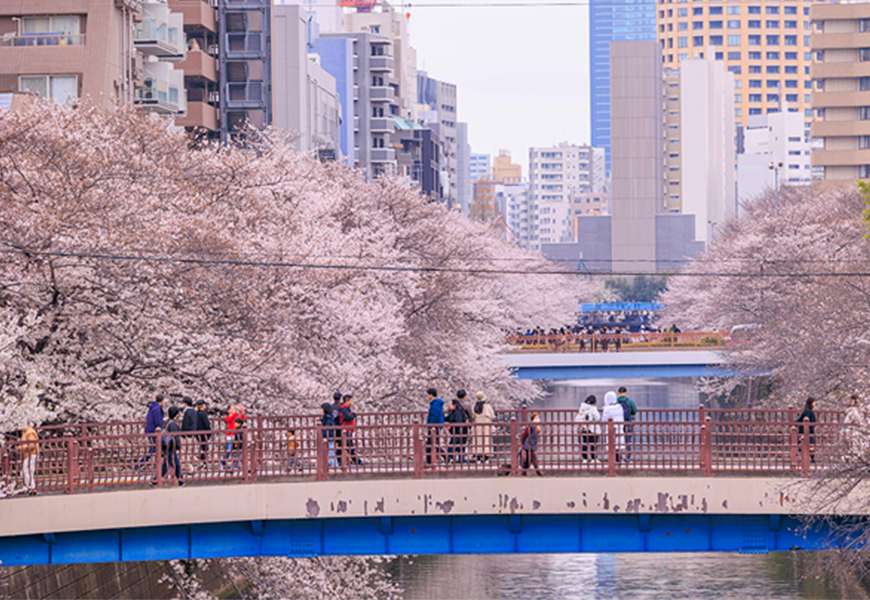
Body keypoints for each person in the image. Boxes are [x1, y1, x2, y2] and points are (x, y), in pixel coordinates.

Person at [151, 406, 184, 487]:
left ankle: (181, 481)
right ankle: (155, 481)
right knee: (167, 465)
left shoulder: (166, 422)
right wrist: (179, 447)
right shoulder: (173, 424)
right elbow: (175, 437)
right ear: (176, 415)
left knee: (175, 464)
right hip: (171, 447)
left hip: (166, 446)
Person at [138, 394, 165, 471]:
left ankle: (159, 465)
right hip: (153, 431)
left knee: (156, 448)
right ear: (162, 401)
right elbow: (158, 421)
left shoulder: (152, 407)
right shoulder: (157, 409)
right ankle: (141, 463)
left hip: (150, 430)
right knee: (154, 448)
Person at [470, 391, 495, 462]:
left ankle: (477, 456)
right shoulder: (487, 407)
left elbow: (472, 417)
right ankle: (486, 457)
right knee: (486, 441)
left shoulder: (473, 407)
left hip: (477, 428)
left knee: (477, 441)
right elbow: (492, 416)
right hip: (486, 427)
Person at [601, 391, 625, 462]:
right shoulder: (620, 407)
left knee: (611, 445)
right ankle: (619, 459)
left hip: (611, 429)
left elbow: (604, 420)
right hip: (619, 427)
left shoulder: (607, 409)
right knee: (618, 445)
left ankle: (612, 460)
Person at [575, 395, 601, 461]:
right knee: (593, 444)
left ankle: (585, 458)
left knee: (585, 443)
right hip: (591, 429)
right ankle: (594, 458)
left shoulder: (582, 408)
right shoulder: (592, 408)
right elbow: (598, 418)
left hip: (583, 428)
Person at [446, 396, 469, 464]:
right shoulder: (454, 411)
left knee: (452, 446)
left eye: (451, 404)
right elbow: (448, 418)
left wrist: (451, 426)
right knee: (459, 447)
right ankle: (462, 461)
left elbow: (458, 422)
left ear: (454, 405)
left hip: (458, 432)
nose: (450, 406)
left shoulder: (457, 412)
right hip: (459, 432)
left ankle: (450, 459)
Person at [338, 394, 359, 466]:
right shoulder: (344, 409)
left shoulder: (345, 408)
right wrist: (353, 414)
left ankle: (356, 461)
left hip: (347, 430)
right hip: (345, 430)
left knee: (347, 446)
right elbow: (349, 417)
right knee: (348, 446)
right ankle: (356, 461)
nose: (352, 402)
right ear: (347, 401)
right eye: (351, 400)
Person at [425, 388, 445, 465]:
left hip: (434, 427)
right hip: (436, 427)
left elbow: (434, 415)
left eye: (428, 394)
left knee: (430, 445)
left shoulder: (435, 404)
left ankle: (429, 463)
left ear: (431, 394)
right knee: (434, 444)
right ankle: (447, 457)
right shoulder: (437, 403)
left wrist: (430, 425)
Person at [616, 387, 637, 461]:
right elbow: (634, 411)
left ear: (618, 393)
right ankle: (628, 457)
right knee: (628, 440)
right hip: (628, 423)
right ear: (626, 392)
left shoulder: (616, 401)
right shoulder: (629, 401)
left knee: (618, 440)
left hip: (618, 423)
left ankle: (618, 457)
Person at [797, 396, 817, 464]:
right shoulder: (808, 411)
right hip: (808, 430)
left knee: (809, 444)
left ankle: (811, 457)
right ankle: (812, 458)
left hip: (809, 430)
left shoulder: (808, 410)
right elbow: (805, 419)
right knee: (810, 444)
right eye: (814, 402)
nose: (815, 403)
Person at [20, 422, 39, 496]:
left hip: (31, 454)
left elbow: (32, 445)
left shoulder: (29, 432)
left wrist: (21, 447)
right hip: (28, 454)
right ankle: (30, 487)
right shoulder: (25, 432)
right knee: (26, 471)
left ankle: (31, 487)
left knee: (28, 470)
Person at [194, 400, 211, 468]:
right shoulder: (203, 414)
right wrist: (209, 432)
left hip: (198, 433)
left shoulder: (196, 413)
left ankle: (202, 462)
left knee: (202, 447)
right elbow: (206, 424)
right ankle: (203, 462)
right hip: (204, 433)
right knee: (205, 448)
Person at [320, 402, 337, 467]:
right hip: (329, 436)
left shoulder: (327, 418)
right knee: (328, 451)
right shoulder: (328, 417)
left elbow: (326, 427)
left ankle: (335, 466)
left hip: (327, 436)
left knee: (329, 451)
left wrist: (323, 436)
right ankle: (335, 465)